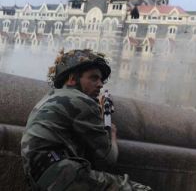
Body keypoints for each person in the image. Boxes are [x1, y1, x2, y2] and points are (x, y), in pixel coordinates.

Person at [21, 49, 151, 190]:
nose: (100, 84)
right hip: (63, 174)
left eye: (101, 79)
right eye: (93, 78)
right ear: (72, 79)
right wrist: (112, 134)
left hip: (40, 178)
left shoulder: (48, 98)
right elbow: (108, 159)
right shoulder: (81, 100)